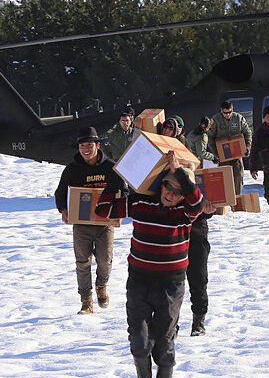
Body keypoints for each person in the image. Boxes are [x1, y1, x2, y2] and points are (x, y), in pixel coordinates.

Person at [97, 152, 215, 378]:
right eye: (168, 187)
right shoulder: (141, 203)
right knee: (139, 342)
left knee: (164, 343)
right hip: (139, 282)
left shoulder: (186, 213)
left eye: (178, 191)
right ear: (161, 185)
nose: (171, 193)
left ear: (183, 196)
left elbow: (198, 202)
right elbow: (103, 210)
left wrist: (180, 172)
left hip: (170, 286)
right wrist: (115, 179)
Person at [54, 126, 127, 314]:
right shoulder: (72, 169)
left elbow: (124, 191)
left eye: (89, 145)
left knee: (105, 261)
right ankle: (86, 300)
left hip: (105, 224)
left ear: (98, 145)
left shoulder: (110, 167)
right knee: (82, 262)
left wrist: (118, 212)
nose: (85, 149)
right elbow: (60, 192)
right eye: (82, 145)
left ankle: (101, 285)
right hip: (81, 224)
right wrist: (63, 209)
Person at [183, 116, 216, 337]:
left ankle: (198, 320)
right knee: (171, 286)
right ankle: (170, 324)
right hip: (172, 236)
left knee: (198, 279)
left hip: (196, 233)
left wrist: (211, 208)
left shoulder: (202, 169)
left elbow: (214, 199)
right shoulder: (164, 174)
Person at [207, 101, 252, 195]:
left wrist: (247, 146)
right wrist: (216, 153)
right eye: (225, 113)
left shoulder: (238, 118)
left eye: (229, 112)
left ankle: (237, 198)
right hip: (222, 154)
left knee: (238, 176)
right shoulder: (215, 120)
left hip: (236, 153)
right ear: (221, 111)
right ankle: (226, 200)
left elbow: (247, 133)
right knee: (224, 179)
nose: (228, 115)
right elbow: (210, 137)